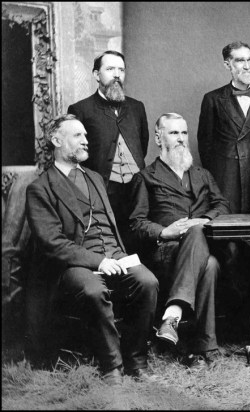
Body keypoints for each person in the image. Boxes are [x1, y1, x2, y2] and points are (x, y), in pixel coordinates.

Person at [25, 114, 158, 386]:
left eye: (86, 135)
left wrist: (114, 256)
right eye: (78, 135)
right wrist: (98, 261)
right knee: (93, 291)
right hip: (74, 263)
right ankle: (112, 367)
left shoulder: (96, 178)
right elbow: (52, 243)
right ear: (56, 140)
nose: (86, 141)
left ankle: (136, 360)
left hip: (114, 254)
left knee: (148, 282)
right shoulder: (40, 188)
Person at [129, 113, 230, 368]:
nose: (181, 139)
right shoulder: (145, 177)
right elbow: (136, 223)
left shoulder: (202, 174)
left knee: (207, 255)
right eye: (174, 133)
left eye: (184, 133)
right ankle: (206, 346)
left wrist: (203, 220)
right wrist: (165, 231)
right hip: (167, 250)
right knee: (209, 262)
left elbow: (223, 206)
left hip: (200, 248)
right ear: (158, 138)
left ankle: (173, 317)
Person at [68, 50, 149, 252]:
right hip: (101, 191)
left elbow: (143, 145)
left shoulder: (137, 107)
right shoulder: (81, 109)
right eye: (110, 69)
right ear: (96, 75)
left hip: (136, 190)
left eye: (121, 70)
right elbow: (75, 156)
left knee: (138, 244)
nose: (117, 74)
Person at [197, 41, 250, 214]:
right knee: (228, 222)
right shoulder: (212, 99)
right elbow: (205, 145)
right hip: (226, 178)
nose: (247, 66)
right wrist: (217, 177)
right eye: (240, 60)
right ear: (227, 65)